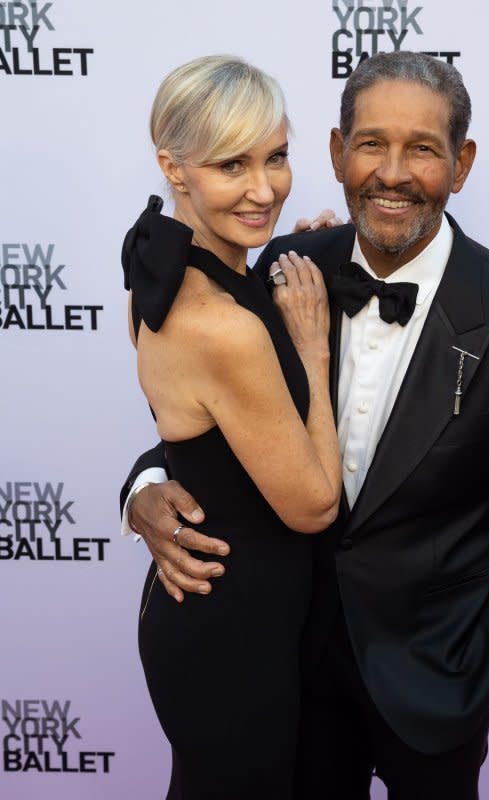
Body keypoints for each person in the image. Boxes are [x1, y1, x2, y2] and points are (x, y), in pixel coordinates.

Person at [122, 52, 489, 799]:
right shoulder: (286, 266)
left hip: (435, 682)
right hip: (288, 669)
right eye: (371, 144)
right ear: (338, 154)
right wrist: (145, 487)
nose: (393, 173)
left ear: (461, 164)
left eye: (423, 149)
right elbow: (219, 427)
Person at [122, 55, 343, 800]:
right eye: (231, 165)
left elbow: (198, 442)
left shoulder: (166, 275)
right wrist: (309, 347)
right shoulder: (221, 326)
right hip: (234, 632)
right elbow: (312, 506)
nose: (264, 187)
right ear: (173, 168)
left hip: (218, 613)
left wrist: (143, 487)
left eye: (276, 156)